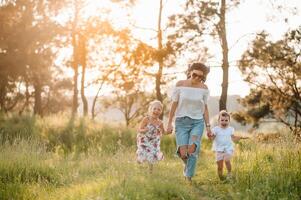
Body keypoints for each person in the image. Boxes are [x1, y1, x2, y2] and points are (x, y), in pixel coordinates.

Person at [166, 62, 212, 182]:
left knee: (192, 149)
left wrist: (208, 127)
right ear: (189, 72)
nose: (197, 78)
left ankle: (189, 176)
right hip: (181, 122)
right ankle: (188, 166)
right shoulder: (180, 85)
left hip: (197, 122)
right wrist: (169, 123)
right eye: (195, 75)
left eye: (201, 77)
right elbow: (174, 105)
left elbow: (205, 108)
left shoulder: (204, 88)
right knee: (183, 153)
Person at [211, 110, 248, 180]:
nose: (224, 122)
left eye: (226, 120)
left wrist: (241, 137)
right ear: (218, 120)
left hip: (228, 148)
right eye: (222, 120)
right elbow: (212, 138)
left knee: (227, 160)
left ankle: (229, 173)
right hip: (219, 149)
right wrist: (211, 135)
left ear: (229, 121)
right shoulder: (216, 129)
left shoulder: (231, 129)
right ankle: (220, 177)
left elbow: (233, 137)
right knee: (219, 165)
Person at [136, 100, 165, 173]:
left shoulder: (160, 123)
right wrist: (144, 130)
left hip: (153, 141)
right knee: (142, 154)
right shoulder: (146, 119)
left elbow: (164, 132)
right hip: (144, 140)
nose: (156, 111)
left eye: (159, 109)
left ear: (161, 112)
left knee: (152, 155)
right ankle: (139, 166)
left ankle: (150, 171)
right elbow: (139, 129)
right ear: (150, 110)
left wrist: (170, 131)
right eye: (154, 109)